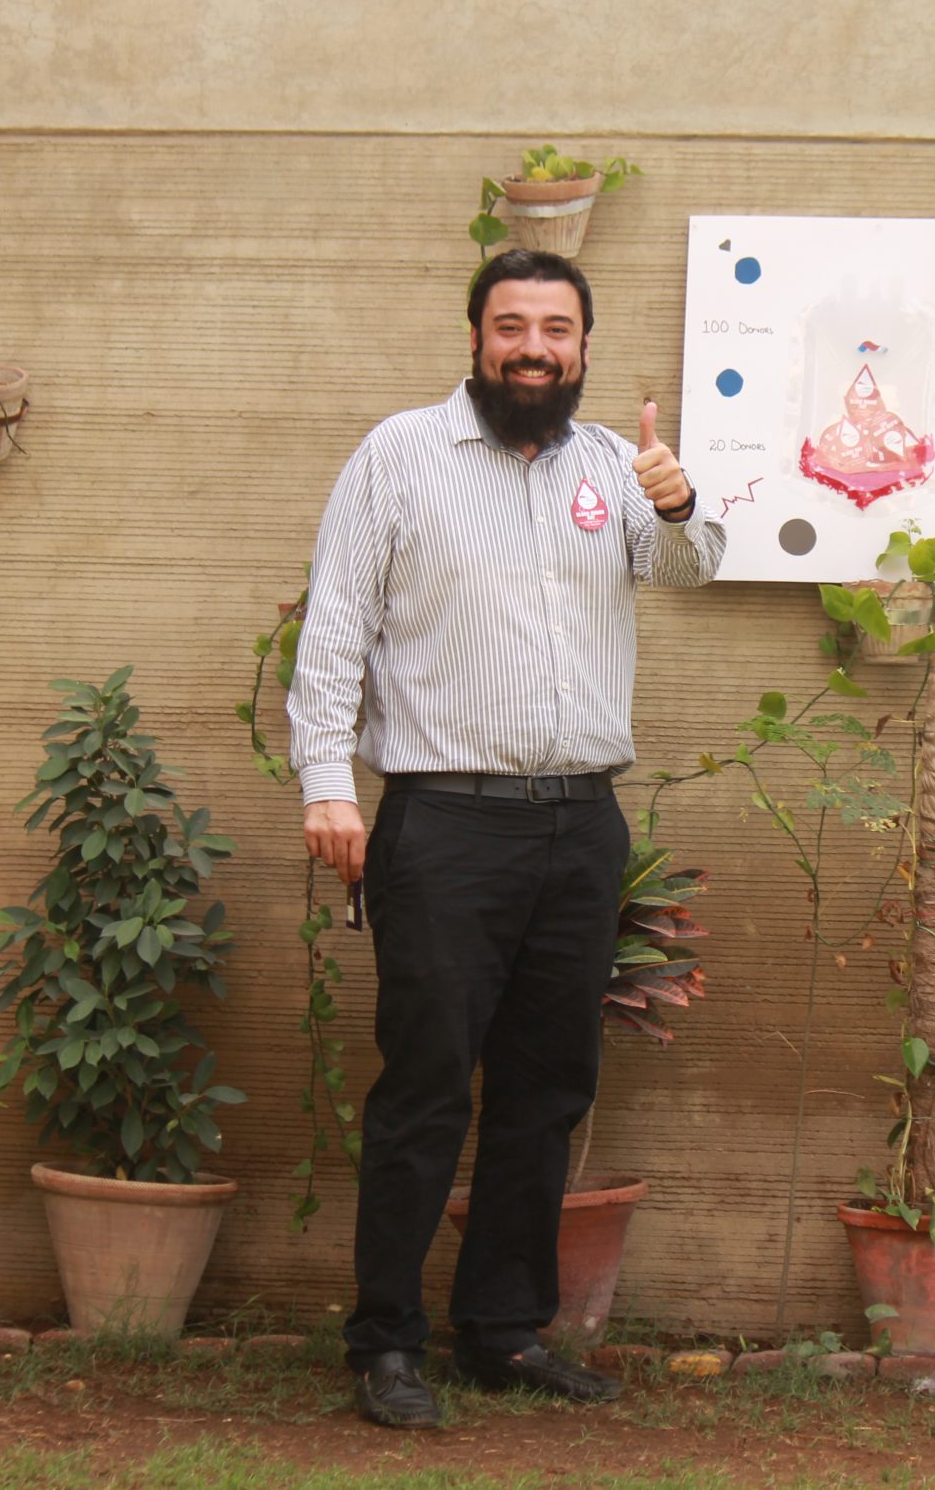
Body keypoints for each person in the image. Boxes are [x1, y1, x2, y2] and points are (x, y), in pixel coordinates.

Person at [288, 247, 726, 1428]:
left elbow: (687, 571)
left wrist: (677, 502)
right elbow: (336, 625)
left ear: (582, 346)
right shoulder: (399, 456)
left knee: (547, 1088)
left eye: (556, 329)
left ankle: (502, 1331)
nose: (534, 347)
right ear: (477, 338)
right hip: (445, 824)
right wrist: (328, 784)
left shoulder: (614, 467)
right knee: (427, 1085)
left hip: (580, 826)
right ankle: (387, 1343)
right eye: (512, 326)